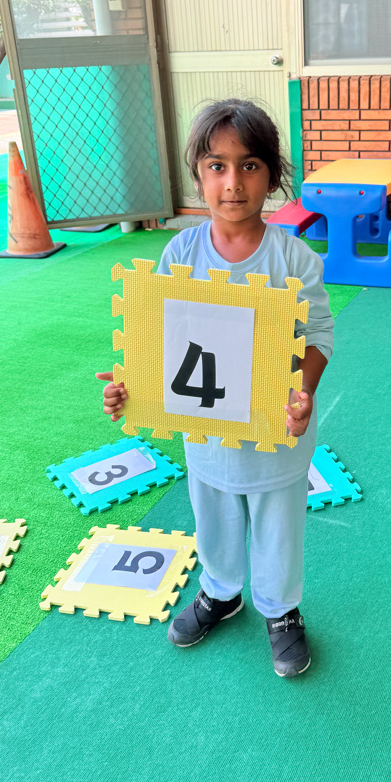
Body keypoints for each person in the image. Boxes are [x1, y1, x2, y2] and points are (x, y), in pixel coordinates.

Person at [97, 99, 334, 677]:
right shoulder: (181, 252)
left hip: (276, 431)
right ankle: (221, 592)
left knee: (278, 523)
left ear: (271, 176)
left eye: (249, 166)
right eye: (217, 166)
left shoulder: (294, 259)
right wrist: (133, 386)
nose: (233, 183)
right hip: (206, 431)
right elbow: (160, 336)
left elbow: (319, 334)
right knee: (214, 513)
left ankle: (280, 610)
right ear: (199, 175)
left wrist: (303, 392)